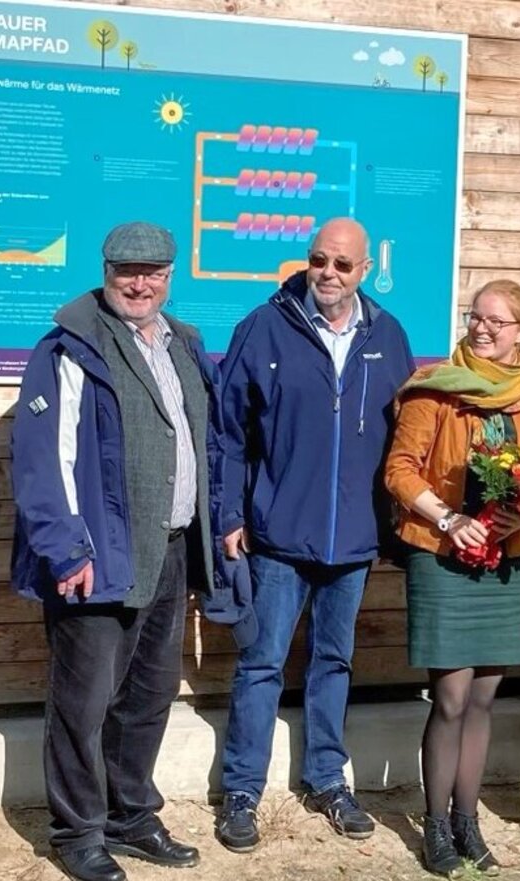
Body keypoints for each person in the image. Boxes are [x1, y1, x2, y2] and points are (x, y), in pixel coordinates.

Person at [10, 221, 216, 881]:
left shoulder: (182, 342)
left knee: (149, 692)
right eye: (128, 269)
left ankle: (131, 815)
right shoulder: (70, 348)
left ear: (169, 274)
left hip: (171, 545)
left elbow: (202, 443)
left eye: (153, 270)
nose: (140, 282)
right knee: (84, 698)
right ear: (106, 270)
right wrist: (68, 548)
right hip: (97, 554)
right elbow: (46, 460)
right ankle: (77, 832)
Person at [207, 217, 416, 852]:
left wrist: (395, 526)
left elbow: (406, 437)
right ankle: (242, 788)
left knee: (334, 661)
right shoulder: (264, 328)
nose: (327, 273)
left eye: (341, 265)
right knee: (261, 662)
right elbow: (228, 435)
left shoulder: (388, 336)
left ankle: (327, 777)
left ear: (364, 271)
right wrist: (229, 515)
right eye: (318, 260)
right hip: (277, 537)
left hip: (351, 542)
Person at [383, 279, 520, 876]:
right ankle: (435, 824)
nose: (481, 328)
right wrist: (449, 516)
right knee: (453, 697)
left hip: (508, 557)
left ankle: (469, 821)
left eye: (496, 321)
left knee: (485, 696)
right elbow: (400, 472)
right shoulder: (433, 390)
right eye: (474, 317)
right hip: (442, 553)